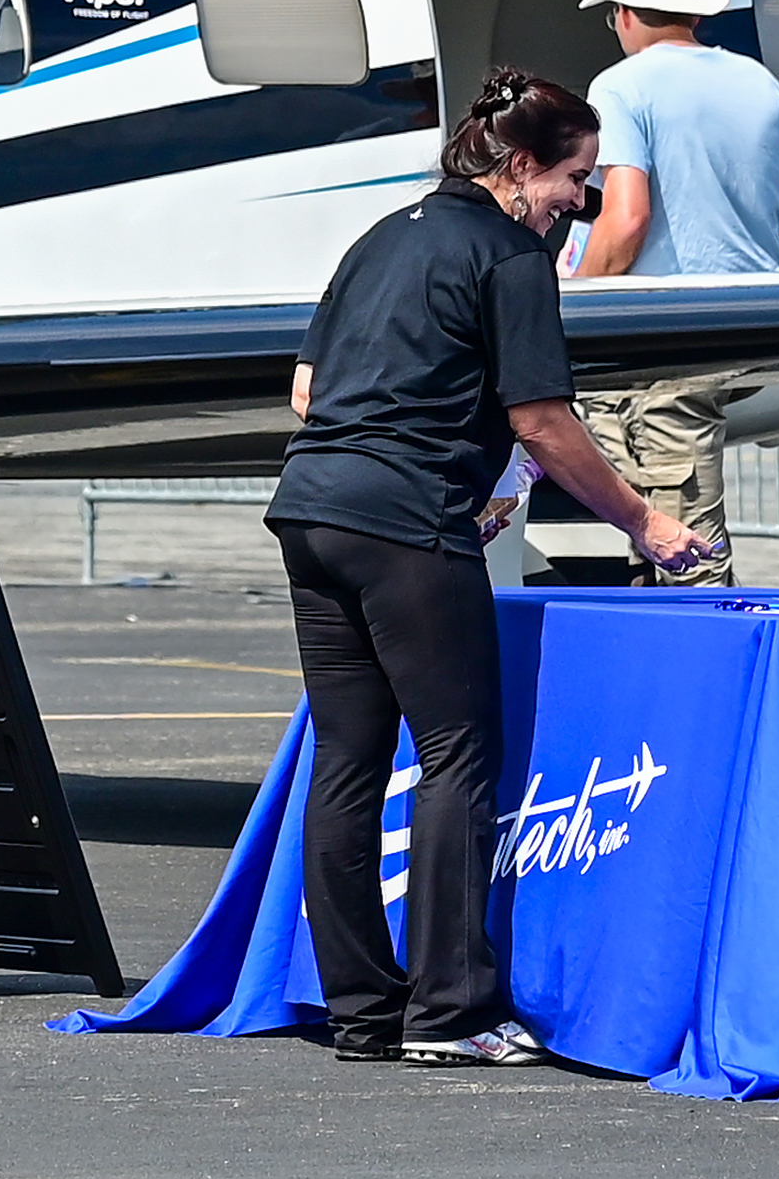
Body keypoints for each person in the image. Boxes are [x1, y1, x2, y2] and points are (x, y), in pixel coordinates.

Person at [266, 70, 721, 1069]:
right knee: (455, 758)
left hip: (310, 508)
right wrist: (644, 520)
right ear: (518, 167)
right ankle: (450, 1010)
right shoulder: (511, 257)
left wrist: (439, 444)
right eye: (575, 177)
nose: (583, 200)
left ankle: (361, 1012)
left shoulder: (382, 235)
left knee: (345, 760)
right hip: (404, 521)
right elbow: (543, 419)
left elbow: (306, 390)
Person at [557, 0, 779, 560]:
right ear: (693, 15)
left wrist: (567, 303)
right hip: (755, 316)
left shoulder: (620, 86)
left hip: (673, 328)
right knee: (658, 523)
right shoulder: (761, 81)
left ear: (626, 15)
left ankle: (712, 645)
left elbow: (627, 216)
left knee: (687, 543)